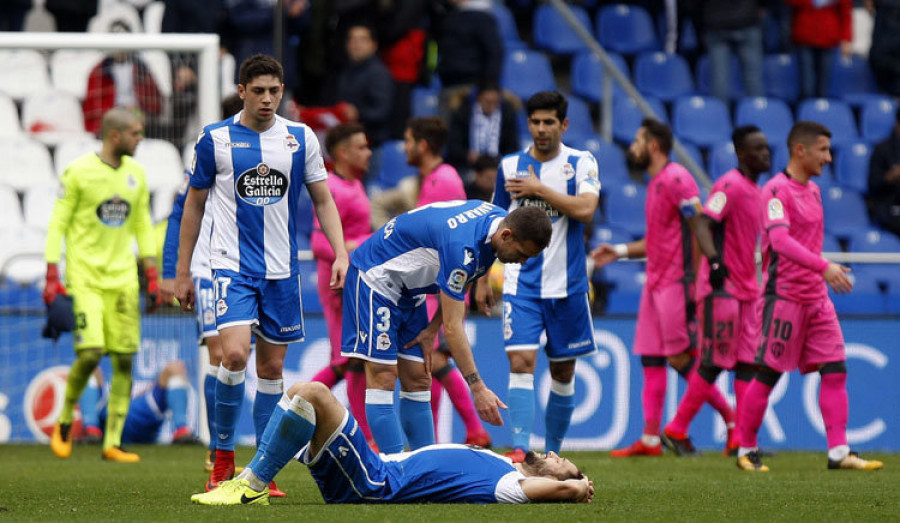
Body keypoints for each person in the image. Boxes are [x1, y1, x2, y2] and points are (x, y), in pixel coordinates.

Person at [174, 54, 349, 491]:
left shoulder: (300, 138)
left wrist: (341, 253)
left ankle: (262, 469)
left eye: (274, 91)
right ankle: (223, 458)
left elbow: (324, 200)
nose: (268, 99)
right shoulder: (215, 139)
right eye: (258, 91)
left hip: (282, 270)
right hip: (231, 266)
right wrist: (181, 272)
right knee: (233, 356)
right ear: (241, 91)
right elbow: (193, 205)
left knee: (272, 371)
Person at [343, 200, 552, 455]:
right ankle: (395, 468)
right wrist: (477, 387)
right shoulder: (462, 246)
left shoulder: (495, 226)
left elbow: (456, 286)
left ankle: (426, 468)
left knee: (419, 377)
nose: (521, 262)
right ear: (507, 235)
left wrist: (431, 329)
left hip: (409, 290)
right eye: (521, 254)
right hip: (375, 277)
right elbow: (453, 328)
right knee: (384, 375)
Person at [736, 121, 884, 472]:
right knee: (769, 374)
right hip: (784, 297)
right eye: (822, 150)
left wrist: (820, 275)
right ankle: (746, 449)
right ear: (800, 150)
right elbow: (782, 243)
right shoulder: (774, 192)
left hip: (816, 299)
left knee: (835, 369)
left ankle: (838, 452)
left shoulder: (814, 191)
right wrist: (824, 267)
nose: (829, 158)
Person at [190, 381, 593, 505]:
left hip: (375, 482)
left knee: (313, 394)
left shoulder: (510, 485)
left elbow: (550, 489)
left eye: (563, 463)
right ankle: (250, 480)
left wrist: (575, 487)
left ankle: (250, 486)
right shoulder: (505, 464)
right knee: (300, 393)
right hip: (377, 468)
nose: (557, 456)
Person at [591, 118, 735, 458]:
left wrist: (698, 279)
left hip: (677, 284)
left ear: (653, 145)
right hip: (655, 284)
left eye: (637, 141)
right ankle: (651, 439)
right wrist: (622, 251)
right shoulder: (657, 183)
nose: (632, 148)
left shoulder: (676, 178)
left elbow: (700, 225)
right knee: (652, 359)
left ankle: (734, 421)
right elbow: (658, 240)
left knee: (681, 358)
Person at [474, 91, 601, 462]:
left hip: (569, 286)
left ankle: (553, 453)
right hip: (521, 284)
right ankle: (519, 450)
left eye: (549, 122)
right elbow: (492, 221)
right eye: (535, 122)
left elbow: (587, 209)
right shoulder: (510, 165)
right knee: (521, 363)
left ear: (564, 125)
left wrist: (539, 190)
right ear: (528, 124)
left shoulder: (581, 163)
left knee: (562, 371)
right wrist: (482, 277)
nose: (541, 129)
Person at [46, 107, 159, 463]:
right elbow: (57, 224)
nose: (140, 140)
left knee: (125, 359)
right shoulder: (79, 172)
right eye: (136, 134)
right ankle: (65, 419)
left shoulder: (136, 175)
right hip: (85, 279)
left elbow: (141, 223)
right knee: (92, 352)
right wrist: (52, 272)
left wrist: (151, 273)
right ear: (115, 136)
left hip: (123, 279)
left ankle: (112, 442)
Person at [370, 116, 492, 447]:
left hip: (443, 286)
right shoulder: (431, 179)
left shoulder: (444, 180)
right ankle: (441, 439)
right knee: (426, 367)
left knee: (434, 362)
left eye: (408, 141)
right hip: (432, 283)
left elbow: (452, 246)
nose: (405, 147)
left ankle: (474, 429)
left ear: (423, 145)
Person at [659, 126, 770, 456]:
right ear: (740, 153)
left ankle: (742, 439)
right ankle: (677, 428)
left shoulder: (756, 190)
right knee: (714, 361)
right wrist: (715, 263)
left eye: (767, 148)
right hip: (723, 288)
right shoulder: (729, 185)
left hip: (748, 289)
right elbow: (705, 223)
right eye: (757, 149)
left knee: (748, 363)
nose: (765, 153)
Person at [160, 95, 244, 474]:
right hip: (208, 266)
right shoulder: (211, 151)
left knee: (241, 360)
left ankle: (226, 447)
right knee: (220, 356)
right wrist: (171, 270)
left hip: (250, 266)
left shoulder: (271, 152)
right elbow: (180, 213)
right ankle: (218, 450)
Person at [308, 122, 374, 445]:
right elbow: (319, 243)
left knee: (355, 358)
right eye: (362, 146)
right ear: (343, 152)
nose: (369, 152)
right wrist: (363, 243)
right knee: (346, 358)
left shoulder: (356, 184)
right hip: (337, 282)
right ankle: (296, 407)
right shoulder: (332, 186)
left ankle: (363, 432)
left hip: (355, 281)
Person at [78, 360, 196, 445]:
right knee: (87, 366)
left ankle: (182, 432)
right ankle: (92, 432)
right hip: (110, 412)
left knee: (176, 367)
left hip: (140, 410)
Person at [335, 23, 394, 147]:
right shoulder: (345, 72)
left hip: (371, 145)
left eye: (362, 40)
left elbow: (382, 111)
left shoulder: (379, 74)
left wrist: (358, 114)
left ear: (374, 45)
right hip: (348, 143)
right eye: (352, 39)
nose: (356, 44)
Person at [693, 0, 765, 102]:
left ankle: (719, 116)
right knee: (753, 78)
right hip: (746, 20)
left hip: (717, 23)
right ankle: (759, 114)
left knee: (719, 78)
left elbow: (695, 5)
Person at [446, 84, 521, 177]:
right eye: (488, 102)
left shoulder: (507, 114)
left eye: (495, 102)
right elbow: (453, 146)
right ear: (479, 99)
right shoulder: (463, 113)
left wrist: (501, 161)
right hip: (467, 166)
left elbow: (512, 147)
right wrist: (467, 155)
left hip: (498, 166)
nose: (491, 106)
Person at [82, 52, 163, 138]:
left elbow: (153, 100)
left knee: (137, 118)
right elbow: (94, 107)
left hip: (137, 113)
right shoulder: (99, 71)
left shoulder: (142, 69)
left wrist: (141, 112)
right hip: (112, 115)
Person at [785, 0, 853, 99]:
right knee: (806, 88)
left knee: (823, 88)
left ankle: (820, 112)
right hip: (805, 37)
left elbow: (846, 12)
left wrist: (846, 38)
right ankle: (806, 111)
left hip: (828, 38)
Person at [868, 106, 900, 238]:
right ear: (897, 125)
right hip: (889, 207)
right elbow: (873, 184)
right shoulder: (883, 149)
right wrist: (890, 177)